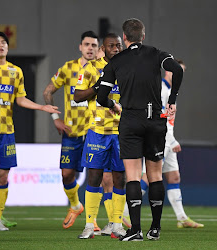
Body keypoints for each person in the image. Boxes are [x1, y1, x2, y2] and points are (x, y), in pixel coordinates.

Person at [96, 18, 183, 241]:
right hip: (155, 118)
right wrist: (172, 100)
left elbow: (102, 97)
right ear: (143, 36)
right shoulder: (157, 53)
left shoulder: (116, 61)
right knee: (155, 176)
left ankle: (136, 230)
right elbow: (177, 71)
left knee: (133, 176)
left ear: (124, 39)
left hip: (131, 120)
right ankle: (155, 228)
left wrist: (112, 105)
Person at [0, 31, 60, 231]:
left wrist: (42, 107)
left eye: (4, 42)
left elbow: (20, 99)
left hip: (6, 132)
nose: (1, 45)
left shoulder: (15, 71)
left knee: (2, 175)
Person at [122, 60, 204, 230]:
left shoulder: (171, 90)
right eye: (177, 71)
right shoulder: (161, 89)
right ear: (168, 71)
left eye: (182, 72)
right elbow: (158, 117)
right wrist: (170, 139)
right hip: (161, 138)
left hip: (169, 137)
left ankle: (181, 218)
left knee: (174, 177)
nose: (179, 75)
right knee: (149, 176)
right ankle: (124, 212)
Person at [43, 31, 99, 229]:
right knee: (67, 175)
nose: (90, 48)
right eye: (87, 44)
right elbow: (48, 91)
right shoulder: (68, 68)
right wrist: (55, 118)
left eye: (94, 45)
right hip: (72, 131)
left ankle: (93, 220)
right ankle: (76, 205)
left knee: (97, 176)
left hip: (95, 131)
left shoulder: (103, 70)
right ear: (80, 47)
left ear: (98, 48)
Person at [74, 33, 125, 239]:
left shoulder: (127, 69)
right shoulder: (90, 68)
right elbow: (77, 96)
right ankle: (89, 225)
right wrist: (98, 87)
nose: (116, 49)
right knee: (94, 177)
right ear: (103, 48)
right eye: (111, 45)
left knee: (120, 178)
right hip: (97, 132)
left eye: (118, 45)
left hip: (122, 132)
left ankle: (117, 224)